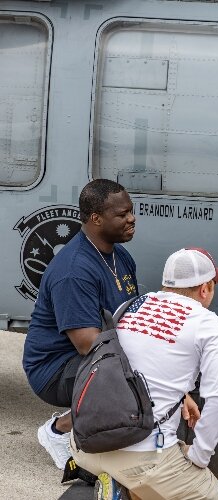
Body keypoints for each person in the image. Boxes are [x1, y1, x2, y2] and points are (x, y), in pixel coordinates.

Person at [71, 247, 218, 500]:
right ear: (205, 288)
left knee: (149, 482)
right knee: (208, 493)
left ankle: (119, 486)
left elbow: (133, 366)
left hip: (86, 444)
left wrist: (183, 395)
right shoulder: (207, 324)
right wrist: (200, 455)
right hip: (142, 456)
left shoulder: (130, 306)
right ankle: (125, 486)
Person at [23, 179, 138, 470]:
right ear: (96, 218)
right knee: (135, 376)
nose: (131, 218)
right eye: (122, 214)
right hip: (54, 368)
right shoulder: (74, 270)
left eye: (131, 211)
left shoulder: (120, 255)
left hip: (91, 357)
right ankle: (58, 430)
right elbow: (88, 343)